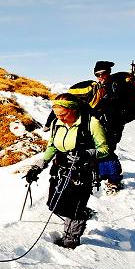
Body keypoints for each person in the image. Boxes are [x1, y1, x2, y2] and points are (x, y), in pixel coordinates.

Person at [25, 94, 109, 249]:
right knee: (54, 204)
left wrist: (87, 154)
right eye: (57, 115)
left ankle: (71, 238)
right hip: (59, 170)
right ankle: (81, 215)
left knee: (74, 208)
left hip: (81, 172)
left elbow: (105, 149)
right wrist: (38, 166)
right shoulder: (57, 124)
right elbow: (52, 147)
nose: (60, 118)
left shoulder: (91, 123)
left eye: (63, 114)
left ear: (74, 109)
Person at [88, 60, 125, 193]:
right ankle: (102, 174)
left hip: (113, 126)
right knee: (99, 149)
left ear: (109, 72)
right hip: (101, 125)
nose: (100, 76)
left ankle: (114, 180)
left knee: (107, 151)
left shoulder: (115, 87)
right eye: (97, 74)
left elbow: (114, 108)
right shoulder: (99, 87)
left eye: (103, 73)